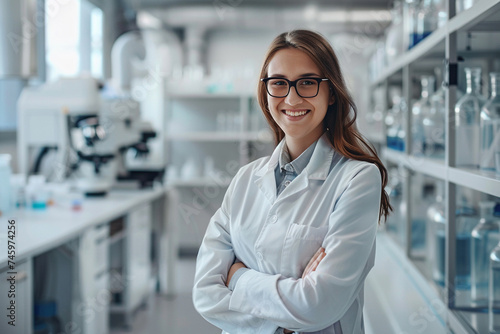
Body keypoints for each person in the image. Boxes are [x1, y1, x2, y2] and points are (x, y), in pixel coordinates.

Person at [193, 29, 391, 334]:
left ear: (332, 92)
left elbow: (319, 304)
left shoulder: (358, 179)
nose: (292, 97)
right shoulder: (246, 179)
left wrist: (237, 278)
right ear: (266, 92)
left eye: (308, 83)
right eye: (279, 84)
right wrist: (286, 321)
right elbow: (205, 294)